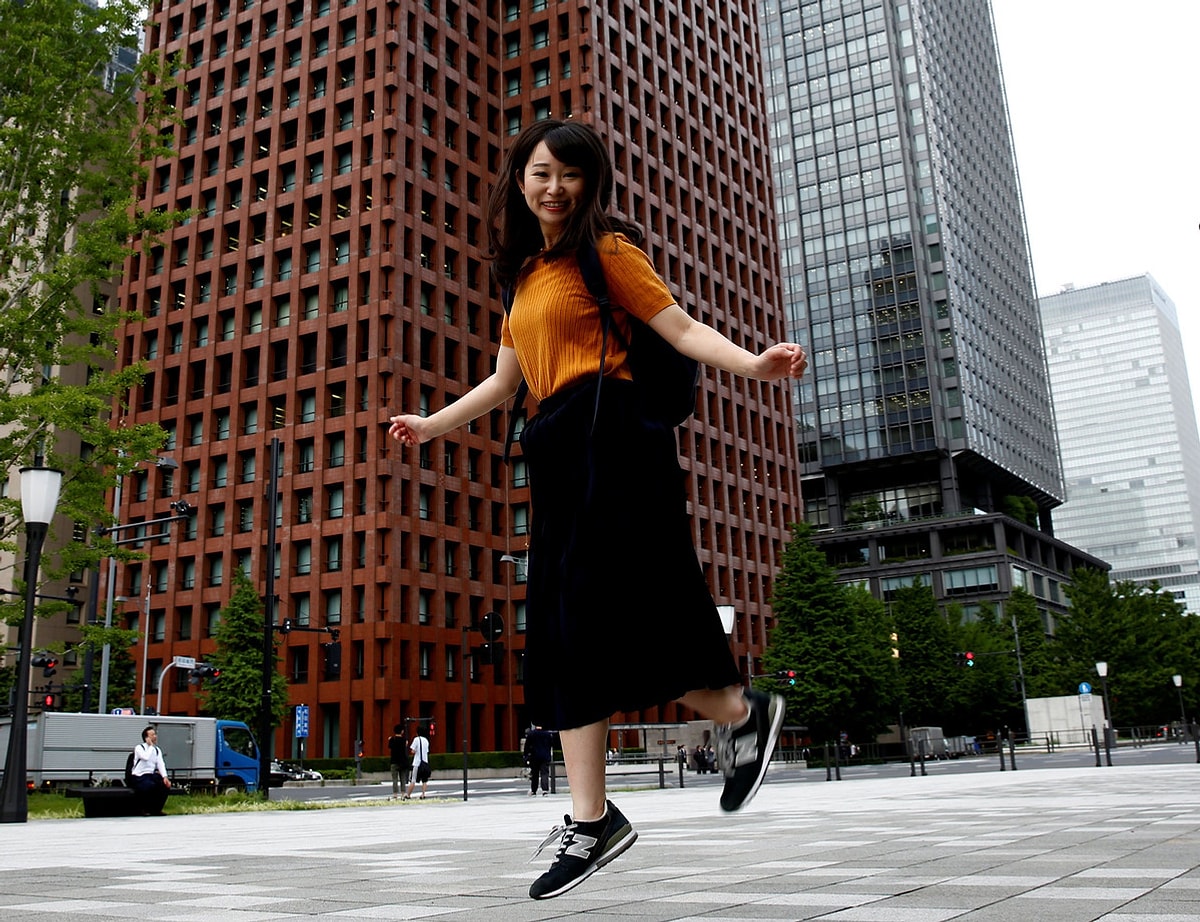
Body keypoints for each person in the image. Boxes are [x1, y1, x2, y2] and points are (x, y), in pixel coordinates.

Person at [388, 118, 807, 900]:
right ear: (519, 180)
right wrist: (430, 424)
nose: (554, 187)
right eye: (541, 172)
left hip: (612, 436)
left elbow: (679, 327)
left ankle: (729, 715)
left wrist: (755, 364)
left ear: (590, 183)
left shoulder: (607, 253)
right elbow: (505, 383)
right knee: (562, 632)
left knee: (614, 613)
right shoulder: (522, 278)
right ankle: (604, 812)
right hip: (554, 445)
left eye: (570, 174)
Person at [129, 725, 171, 816]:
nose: (155, 737)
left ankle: (157, 809)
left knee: (164, 786)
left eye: (155, 734)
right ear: (146, 738)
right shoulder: (139, 748)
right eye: (152, 735)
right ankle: (143, 809)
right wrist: (151, 746)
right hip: (139, 776)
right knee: (148, 786)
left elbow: (160, 764)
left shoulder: (157, 750)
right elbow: (145, 757)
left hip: (150, 775)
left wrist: (165, 777)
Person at [524, 725, 554, 796]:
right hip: (545, 756)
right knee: (544, 773)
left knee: (535, 774)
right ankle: (545, 790)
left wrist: (526, 756)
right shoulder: (547, 734)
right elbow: (551, 744)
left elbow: (527, 746)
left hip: (534, 756)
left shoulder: (531, 734)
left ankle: (534, 790)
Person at [403, 726, 431, 800]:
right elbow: (427, 751)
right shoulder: (426, 740)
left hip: (417, 763)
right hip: (425, 762)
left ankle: (408, 795)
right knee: (424, 780)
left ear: (417, 732)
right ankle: (423, 794)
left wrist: (414, 751)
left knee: (413, 779)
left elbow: (412, 751)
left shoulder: (416, 739)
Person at [387, 724, 410, 799]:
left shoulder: (392, 739)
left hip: (394, 761)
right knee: (403, 778)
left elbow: (390, 746)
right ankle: (403, 793)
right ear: (402, 731)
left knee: (395, 779)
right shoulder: (404, 740)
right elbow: (406, 745)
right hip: (402, 762)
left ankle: (395, 794)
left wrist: (390, 739)